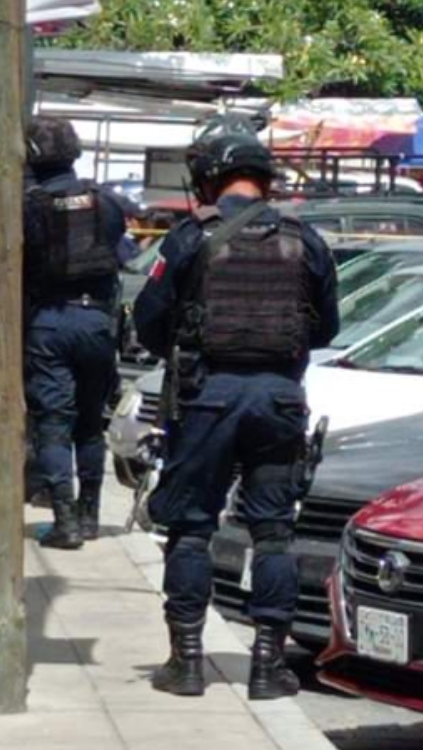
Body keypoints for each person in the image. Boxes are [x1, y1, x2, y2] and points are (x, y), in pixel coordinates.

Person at [133, 113, 339, 700]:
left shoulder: (190, 238)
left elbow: (149, 319)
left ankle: (189, 662)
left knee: (192, 528)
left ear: (209, 179)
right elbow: (327, 327)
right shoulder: (306, 241)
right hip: (278, 398)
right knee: (273, 533)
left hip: (208, 398)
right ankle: (269, 667)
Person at [21, 117, 124, 549]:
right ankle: (90, 516)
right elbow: (119, 247)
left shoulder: (28, 205)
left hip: (50, 320)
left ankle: (64, 522)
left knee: (53, 423)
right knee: (89, 424)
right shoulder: (105, 202)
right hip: (98, 321)